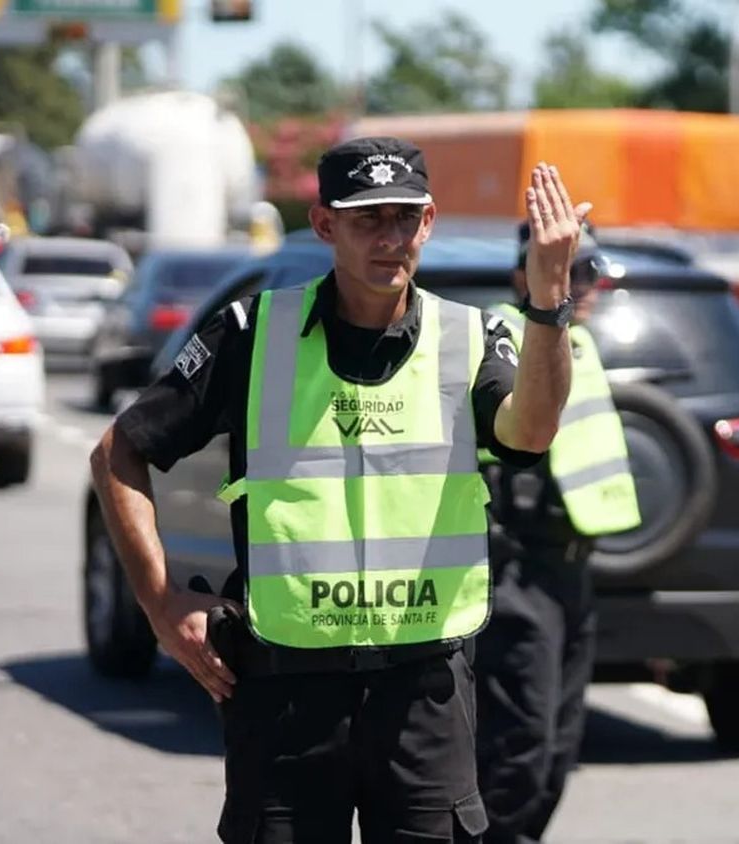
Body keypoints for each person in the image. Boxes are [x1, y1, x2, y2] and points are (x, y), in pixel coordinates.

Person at [88, 136, 590, 844]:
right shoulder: (254, 333)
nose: (391, 239)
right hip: (284, 694)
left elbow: (531, 433)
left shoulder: (470, 336)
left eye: (404, 218)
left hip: (425, 693)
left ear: (429, 221)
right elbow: (119, 453)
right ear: (325, 226)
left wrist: (548, 299)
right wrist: (161, 603)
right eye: (368, 220)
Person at [475, 220, 642, 842]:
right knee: (520, 742)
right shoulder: (504, 335)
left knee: (558, 749)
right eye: (575, 271)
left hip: (573, 569)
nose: (590, 286)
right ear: (527, 275)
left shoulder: (578, 344)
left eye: (593, 271)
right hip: (517, 566)